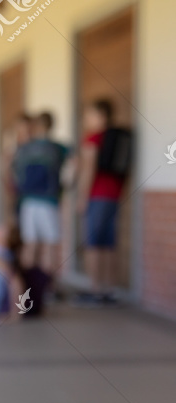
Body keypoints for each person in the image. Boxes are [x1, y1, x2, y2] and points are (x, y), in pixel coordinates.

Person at [73, 98, 129, 306]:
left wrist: (81, 198)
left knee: (93, 244)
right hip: (114, 196)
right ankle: (110, 290)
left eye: (90, 114)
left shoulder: (93, 138)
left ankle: (95, 289)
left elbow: (89, 170)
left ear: (101, 116)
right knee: (109, 244)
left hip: (96, 196)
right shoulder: (117, 138)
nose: (86, 119)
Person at [11, 111, 68, 297]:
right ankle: (49, 287)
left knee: (31, 244)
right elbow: (75, 166)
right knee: (50, 244)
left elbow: (12, 168)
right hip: (48, 201)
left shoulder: (25, 148)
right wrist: (65, 187)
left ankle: (28, 287)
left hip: (28, 201)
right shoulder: (58, 148)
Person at [2, 113, 33, 221]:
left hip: (30, 191)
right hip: (15, 190)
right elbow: (5, 169)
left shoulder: (33, 146)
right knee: (16, 221)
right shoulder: (12, 147)